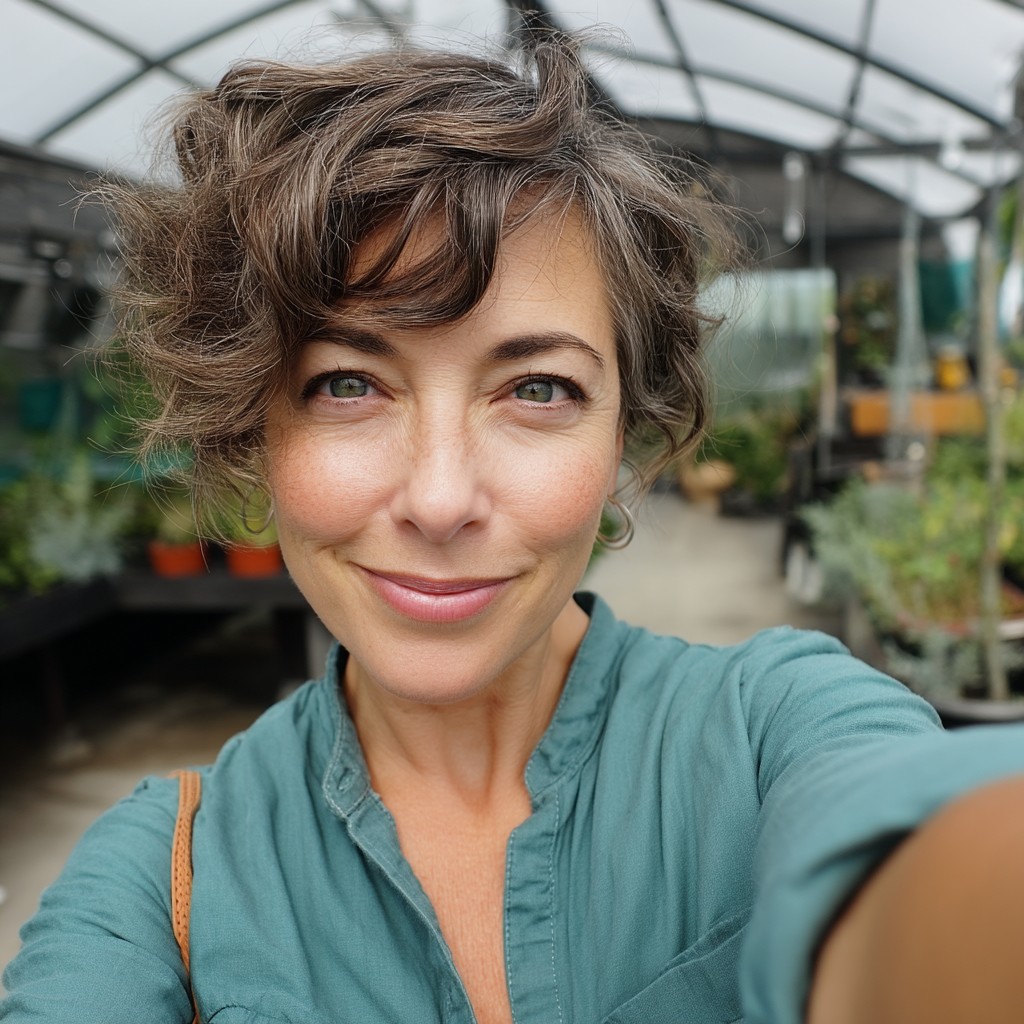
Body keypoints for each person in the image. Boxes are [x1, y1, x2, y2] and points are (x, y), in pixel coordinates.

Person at [4, 35, 1024, 1024]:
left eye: (537, 386)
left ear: (625, 424)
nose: (442, 499)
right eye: (347, 383)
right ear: (253, 425)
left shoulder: (773, 735)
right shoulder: (168, 876)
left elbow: (940, 874)